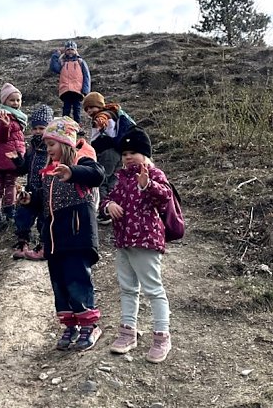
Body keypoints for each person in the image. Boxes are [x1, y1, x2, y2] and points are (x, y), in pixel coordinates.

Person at [19, 117, 104, 351]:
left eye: (51, 144)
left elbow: (98, 175)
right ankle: (70, 325)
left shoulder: (83, 163)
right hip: (54, 240)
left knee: (77, 279)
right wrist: (29, 199)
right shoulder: (48, 173)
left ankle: (89, 324)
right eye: (46, 146)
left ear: (65, 144)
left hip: (77, 236)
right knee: (59, 283)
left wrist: (73, 172)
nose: (48, 149)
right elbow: (42, 200)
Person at [100, 127, 173, 364]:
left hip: (146, 240)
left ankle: (162, 336)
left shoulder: (154, 174)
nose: (128, 157)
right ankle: (127, 332)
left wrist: (147, 184)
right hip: (123, 240)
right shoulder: (122, 178)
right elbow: (110, 198)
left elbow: (165, 197)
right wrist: (108, 205)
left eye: (134, 152)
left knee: (153, 289)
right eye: (124, 153)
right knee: (127, 288)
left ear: (145, 154)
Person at [82, 92, 136, 221]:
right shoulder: (114, 113)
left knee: (101, 179)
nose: (89, 111)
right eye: (87, 109)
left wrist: (100, 122)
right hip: (118, 152)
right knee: (113, 181)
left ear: (99, 106)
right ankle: (115, 210)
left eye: (92, 107)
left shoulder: (102, 116)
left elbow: (103, 121)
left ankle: (104, 211)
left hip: (107, 153)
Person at [12, 103, 53, 260]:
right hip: (30, 189)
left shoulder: (51, 148)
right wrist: (17, 160)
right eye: (35, 128)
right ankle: (23, 242)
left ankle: (43, 245)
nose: (37, 132)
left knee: (44, 218)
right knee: (23, 214)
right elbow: (23, 169)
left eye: (41, 128)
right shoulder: (31, 148)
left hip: (45, 191)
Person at [0, 82, 27, 232]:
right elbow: (1, 138)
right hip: (9, 157)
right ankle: (10, 211)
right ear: (4, 101)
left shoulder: (15, 117)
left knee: (0, 186)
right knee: (9, 185)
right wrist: (4, 126)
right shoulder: (5, 116)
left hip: (3, 157)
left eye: (18, 100)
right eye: (12, 100)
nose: (16, 103)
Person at [49, 41, 91, 123]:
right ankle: (65, 126)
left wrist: (86, 90)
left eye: (72, 49)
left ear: (76, 50)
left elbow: (86, 75)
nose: (70, 51)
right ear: (65, 51)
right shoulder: (62, 63)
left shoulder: (80, 62)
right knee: (66, 108)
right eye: (68, 49)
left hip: (77, 90)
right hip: (65, 89)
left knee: (77, 108)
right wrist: (56, 55)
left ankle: (77, 126)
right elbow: (54, 67)